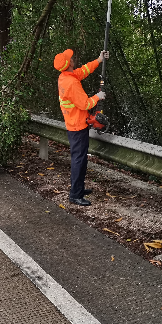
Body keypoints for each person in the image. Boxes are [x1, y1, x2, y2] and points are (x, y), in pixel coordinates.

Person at [54, 48, 109, 206]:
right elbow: (85, 103)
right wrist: (97, 97)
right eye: (70, 58)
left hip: (74, 124)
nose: (72, 59)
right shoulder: (71, 83)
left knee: (80, 159)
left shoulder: (65, 76)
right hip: (77, 127)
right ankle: (75, 195)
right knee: (79, 160)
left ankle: (78, 188)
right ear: (69, 63)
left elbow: (83, 71)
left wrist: (98, 60)